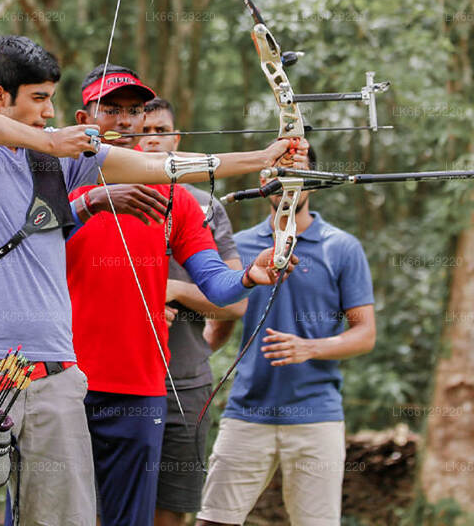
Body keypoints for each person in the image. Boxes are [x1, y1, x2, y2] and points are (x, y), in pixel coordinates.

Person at [0, 36, 300, 526]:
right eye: (38, 98)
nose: (48, 112)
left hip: (56, 369)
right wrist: (53, 144)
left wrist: (263, 157)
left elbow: (160, 166)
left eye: (50, 99)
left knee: (62, 518)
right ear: (0, 96)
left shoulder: (64, 161)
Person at [65, 70, 278, 526]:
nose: (125, 120)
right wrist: (90, 201)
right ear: (84, 119)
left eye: (134, 111)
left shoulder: (175, 199)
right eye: (111, 109)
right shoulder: (62, 183)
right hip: (62, 382)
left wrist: (248, 277)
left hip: (140, 389)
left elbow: (216, 282)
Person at [197, 145, 377, 526]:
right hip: (247, 411)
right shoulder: (241, 246)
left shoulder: (341, 248)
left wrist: (310, 348)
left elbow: (365, 334)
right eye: (277, 172)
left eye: (296, 172)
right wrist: (184, 360)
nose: (286, 182)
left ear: (313, 180)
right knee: (214, 519)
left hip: (316, 416)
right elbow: (222, 323)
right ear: (263, 179)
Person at [137, 97, 248, 526]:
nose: (151, 139)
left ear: (177, 139)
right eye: (142, 131)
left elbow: (234, 302)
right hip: (116, 382)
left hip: (183, 382)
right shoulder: (102, 197)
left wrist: (176, 290)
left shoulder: (203, 205)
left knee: (171, 508)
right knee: (106, 504)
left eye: (160, 131)